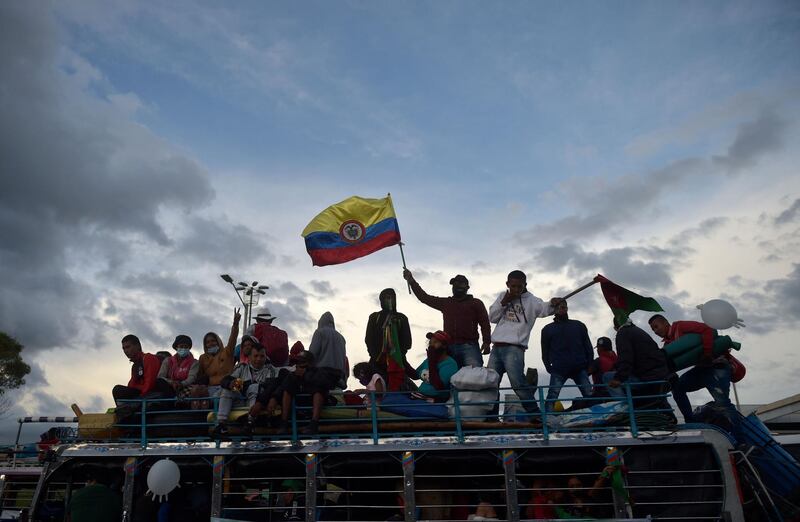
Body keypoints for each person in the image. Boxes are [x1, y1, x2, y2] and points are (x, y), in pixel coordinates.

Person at [487, 270, 557, 414]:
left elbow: (545, 309)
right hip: (497, 347)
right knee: (491, 384)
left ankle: (534, 413)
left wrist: (553, 303)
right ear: (508, 284)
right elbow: (492, 317)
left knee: (518, 383)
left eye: (520, 286)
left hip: (515, 348)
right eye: (513, 286)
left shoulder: (532, 300)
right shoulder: (502, 296)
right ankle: (491, 416)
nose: (516, 290)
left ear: (525, 284)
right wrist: (504, 302)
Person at [648, 314, 736, 423]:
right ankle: (690, 421)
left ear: (666, 323)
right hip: (701, 369)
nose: (655, 331)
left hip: (716, 366)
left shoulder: (681, 326)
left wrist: (707, 353)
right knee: (678, 388)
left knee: (723, 405)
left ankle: (740, 439)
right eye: (653, 330)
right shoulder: (668, 345)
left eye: (656, 327)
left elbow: (707, 329)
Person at [403, 269, 490, 368]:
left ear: (467, 287)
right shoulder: (446, 303)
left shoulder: (476, 303)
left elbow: (485, 323)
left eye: (460, 284)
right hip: (449, 347)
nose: (457, 286)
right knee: (449, 378)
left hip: (469, 346)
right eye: (455, 284)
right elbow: (424, 298)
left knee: (474, 377)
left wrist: (487, 342)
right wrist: (411, 281)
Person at [213, 342, 280, 436]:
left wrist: (248, 386)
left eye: (262, 356)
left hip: (259, 404)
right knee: (227, 389)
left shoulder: (270, 369)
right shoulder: (242, 367)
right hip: (241, 400)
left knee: (254, 387)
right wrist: (230, 383)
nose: (259, 359)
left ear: (266, 357)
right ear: (249, 357)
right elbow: (226, 380)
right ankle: (221, 424)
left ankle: (250, 422)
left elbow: (270, 387)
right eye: (256, 356)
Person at [603, 318, 671, 408]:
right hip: (661, 374)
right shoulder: (638, 331)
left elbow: (626, 357)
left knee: (607, 377)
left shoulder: (623, 332)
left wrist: (618, 378)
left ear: (616, 328)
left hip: (647, 378)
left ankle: (624, 410)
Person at [271, 350, 343, 435]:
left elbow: (325, 384)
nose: (299, 365)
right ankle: (283, 423)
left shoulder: (320, 372)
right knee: (287, 390)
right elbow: (283, 387)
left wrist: (306, 374)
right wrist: (274, 398)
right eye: (298, 362)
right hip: (300, 402)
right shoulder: (293, 375)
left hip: (319, 401)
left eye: (302, 362)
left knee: (318, 391)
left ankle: (314, 424)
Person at [541, 299, 593, 411]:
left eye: (563, 307)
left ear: (567, 308)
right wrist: (548, 366)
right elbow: (545, 350)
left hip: (579, 367)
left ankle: (596, 419)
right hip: (559, 369)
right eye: (558, 307)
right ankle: (547, 421)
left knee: (589, 395)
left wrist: (589, 365)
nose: (561, 309)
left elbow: (588, 346)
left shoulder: (579, 325)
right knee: (552, 396)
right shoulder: (547, 329)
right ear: (554, 310)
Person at [365, 288, 413, 390]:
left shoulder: (402, 318)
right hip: (376, 362)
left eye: (392, 297)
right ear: (381, 301)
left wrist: (397, 356)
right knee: (377, 390)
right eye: (386, 298)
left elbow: (407, 342)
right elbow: (368, 339)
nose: (389, 300)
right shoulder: (374, 317)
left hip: (397, 362)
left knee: (399, 388)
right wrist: (375, 356)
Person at [194, 308, 241, 404]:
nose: (211, 344)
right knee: (197, 394)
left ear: (218, 341)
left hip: (227, 387)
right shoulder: (203, 358)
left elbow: (233, 338)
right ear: (205, 345)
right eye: (207, 342)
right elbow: (200, 376)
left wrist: (235, 324)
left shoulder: (227, 352)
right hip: (209, 389)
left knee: (217, 398)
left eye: (213, 341)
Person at [112, 335, 162, 409]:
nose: (125, 351)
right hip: (140, 393)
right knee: (119, 391)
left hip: (150, 394)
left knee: (117, 390)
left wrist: (139, 399)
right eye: (124, 348)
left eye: (128, 347)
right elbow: (131, 384)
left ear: (137, 346)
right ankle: (123, 410)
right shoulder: (135, 365)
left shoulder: (148, 358)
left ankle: (126, 409)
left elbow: (150, 382)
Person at [309, 312, 349, 390]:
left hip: (322, 374)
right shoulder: (341, 338)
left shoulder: (320, 332)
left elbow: (312, 354)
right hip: (338, 376)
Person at [415, 331, 458, 401]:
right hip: (419, 396)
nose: (431, 345)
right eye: (430, 343)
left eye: (435, 342)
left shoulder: (450, 364)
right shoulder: (428, 360)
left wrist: (432, 361)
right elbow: (415, 375)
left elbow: (438, 386)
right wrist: (402, 360)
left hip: (433, 400)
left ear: (444, 346)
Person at [156, 334, 200, 400]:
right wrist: (172, 382)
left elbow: (192, 378)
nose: (183, 349)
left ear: (189, 348)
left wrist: (181, 384)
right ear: (176, 347)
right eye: (181, 346)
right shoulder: (168, 360)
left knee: (194, 389)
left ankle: (175, 400)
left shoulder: (194, 362)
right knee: (159, 381)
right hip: (170, 386)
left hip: (185, 386)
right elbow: (161, 376)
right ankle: (174, 399)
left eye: (186, 347)